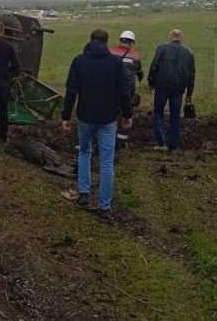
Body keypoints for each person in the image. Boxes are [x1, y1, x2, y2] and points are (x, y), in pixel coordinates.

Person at [61, 29, 133, 218]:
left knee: (84, 152)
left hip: (85, 116)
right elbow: (124, 93)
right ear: (107, 42)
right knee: (106, 161)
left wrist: (66, 117)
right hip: (108, 118)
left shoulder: (79, 61)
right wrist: (127, 115)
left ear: (90, 41)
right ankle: (104, 206)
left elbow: (71, 92)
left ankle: (84, 194)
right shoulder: (115, 63)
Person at [148, 29, 196, 152]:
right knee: (175, 115)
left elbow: (154, 66)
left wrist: (151, 82)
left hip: (162, 86)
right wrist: (189, 94)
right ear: (181, 38)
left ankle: (161, 142)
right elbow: (192, 75)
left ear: (170, 37)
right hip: (178, 88)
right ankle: (173, 144)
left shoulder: (162, 48)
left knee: (158, 112)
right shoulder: (188, 53)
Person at [109, 30, 144, 144]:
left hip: (111, 87)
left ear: (120, 40)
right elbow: (139, 72)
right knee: (125, 113)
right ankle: (121, 139)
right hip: (128, 89)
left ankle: (108, 135)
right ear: (132, 42)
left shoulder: (110, 52)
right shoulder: (135, 56)